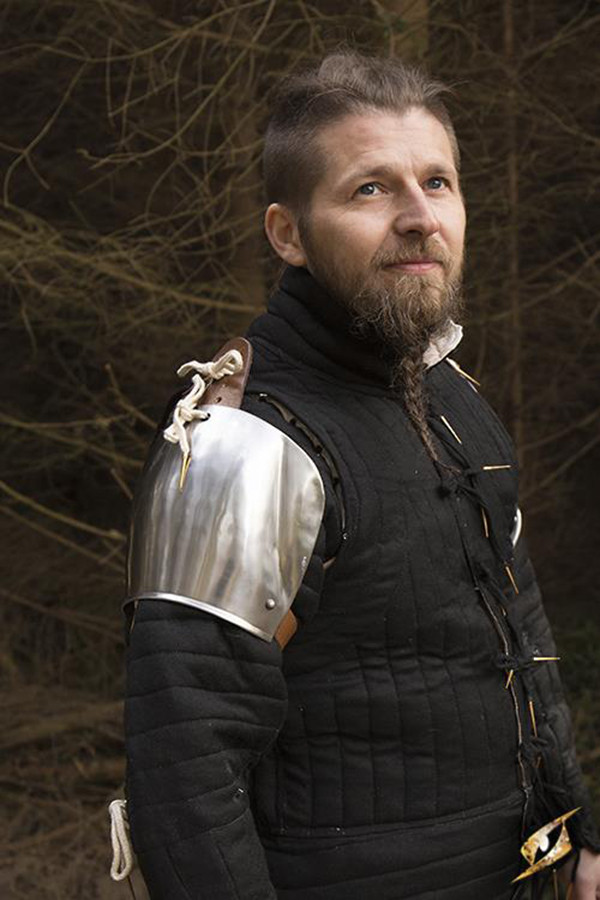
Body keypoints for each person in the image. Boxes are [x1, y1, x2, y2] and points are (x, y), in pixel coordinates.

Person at [120, 53, 600, 899]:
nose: (420, 217)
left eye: (438, 182)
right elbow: (184, 772)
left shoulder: (453, 399)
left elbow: (522, 633)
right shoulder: (246, 444)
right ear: (288, 234)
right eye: (370, 189)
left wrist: (579, 832)